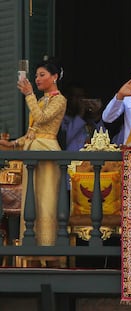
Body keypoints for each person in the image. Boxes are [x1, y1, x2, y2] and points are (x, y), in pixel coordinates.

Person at [0, 57, 67, 247]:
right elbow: (33, 132)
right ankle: (33, 248)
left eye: (42, 75)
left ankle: (48, 246)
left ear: (54, 77)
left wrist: (29, 95)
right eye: (36, 75)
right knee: (33, 201)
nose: (37, 79)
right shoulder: (41, 99)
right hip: (32, 152)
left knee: (46, 200)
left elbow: (42, 118)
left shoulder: (60, 100)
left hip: (47, 153)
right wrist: (11, 144)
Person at [60, 85, 105, 151]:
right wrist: (80, 114)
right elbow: (64, 140)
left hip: (90, 159)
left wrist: (96, 115)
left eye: (82, 96)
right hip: (71, 159)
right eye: (77, 96)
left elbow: (104, 139)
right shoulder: (61, 118)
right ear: (68, 98)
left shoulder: (90, 120)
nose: (80, 100)